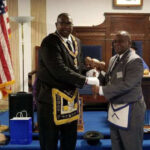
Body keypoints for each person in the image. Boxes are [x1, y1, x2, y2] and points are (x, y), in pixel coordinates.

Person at [36, 13, 99, 150]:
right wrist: (87, 80)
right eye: (62, 23)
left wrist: (87, 71)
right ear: (56, 25)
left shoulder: (77, 41)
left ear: (72, 25)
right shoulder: (49, 42)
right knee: (49, 141)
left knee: (70, 140)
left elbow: (77, 65)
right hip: (50, 100)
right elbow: (59, 70)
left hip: (70, 99)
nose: (65, 26)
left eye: (68, 23)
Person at [92, 31, 146, 150]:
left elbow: (127, 85)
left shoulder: (135, 60)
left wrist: (101, 90)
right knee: (116, 145)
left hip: (131, 110)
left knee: (132, 146)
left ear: (129, 43)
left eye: (121, 41)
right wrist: (99, 72)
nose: (117, 44)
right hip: (115, 109)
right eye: (115, 41)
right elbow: (109, 79)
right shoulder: (113, 59)